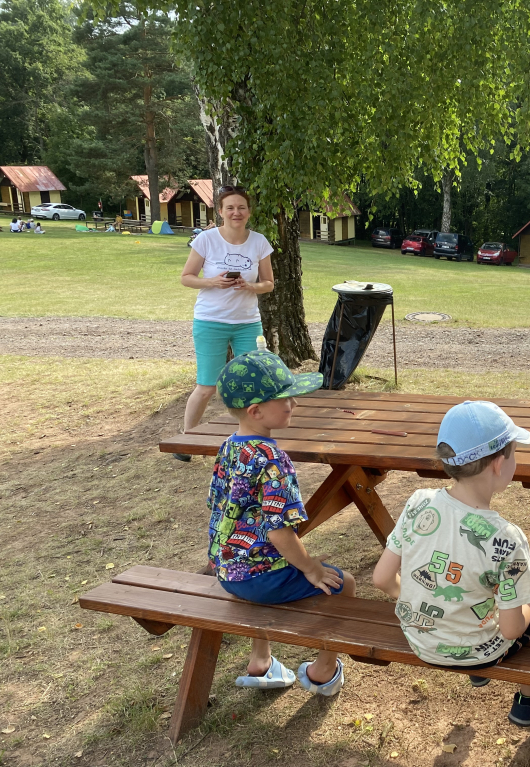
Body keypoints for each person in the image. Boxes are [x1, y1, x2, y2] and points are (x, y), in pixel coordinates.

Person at [373, 401, 530, 727]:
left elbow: (382, 579)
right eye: (514, 453)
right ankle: (529, 702)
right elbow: (511, 629)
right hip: (479, 651)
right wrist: (528, 608)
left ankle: (492, 679)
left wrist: (420, 601)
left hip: (419, 640)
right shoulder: (506, 538)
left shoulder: (419, 503)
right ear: (499, 464)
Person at [208, 349, 356, 694]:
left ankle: (261, 662)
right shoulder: (273, 460)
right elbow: (279, 531)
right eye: (284, 398)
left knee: (264, 580)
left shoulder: (230, 446)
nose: (294, 403)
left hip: (227, 570)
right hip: (260, 579)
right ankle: (323, 671)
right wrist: (311, 568)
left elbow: (218, 504)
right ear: (256, 411)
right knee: (345, 584)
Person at [174, 185, 275, 462]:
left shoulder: (259, 242)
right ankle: (187, 440)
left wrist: (250, 286)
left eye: (241, 207)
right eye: (230, 207)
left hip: (247, 323)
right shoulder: (206, 239)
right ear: (220, 211)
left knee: (250, 384)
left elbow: (268, 283)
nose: (236, 212)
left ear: (249, 212)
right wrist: (212, 282)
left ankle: (252, 442)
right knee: (207, 386)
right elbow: (186, 277)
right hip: (210, 321)